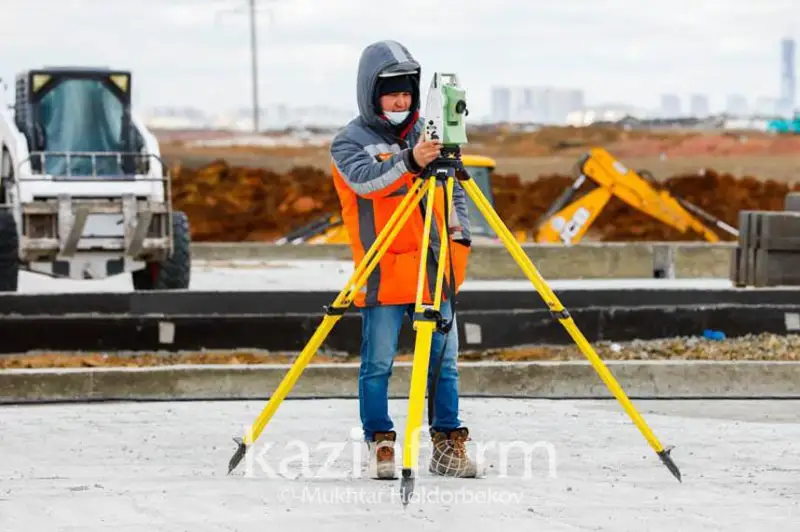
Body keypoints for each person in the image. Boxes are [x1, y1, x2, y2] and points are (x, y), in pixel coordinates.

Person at [329, 39, 481, 481]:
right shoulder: (349, 142)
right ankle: (380, 442)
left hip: (432, 271)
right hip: (383, 268)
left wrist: (460, 241)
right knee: (378, 362)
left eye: (407, 92)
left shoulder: (427, 135)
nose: (401, 101)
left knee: (444, 362)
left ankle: (447, 443)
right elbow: (365, 182)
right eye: (391, 92)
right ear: (370, 94)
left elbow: (454, 194)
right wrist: (410, 160)